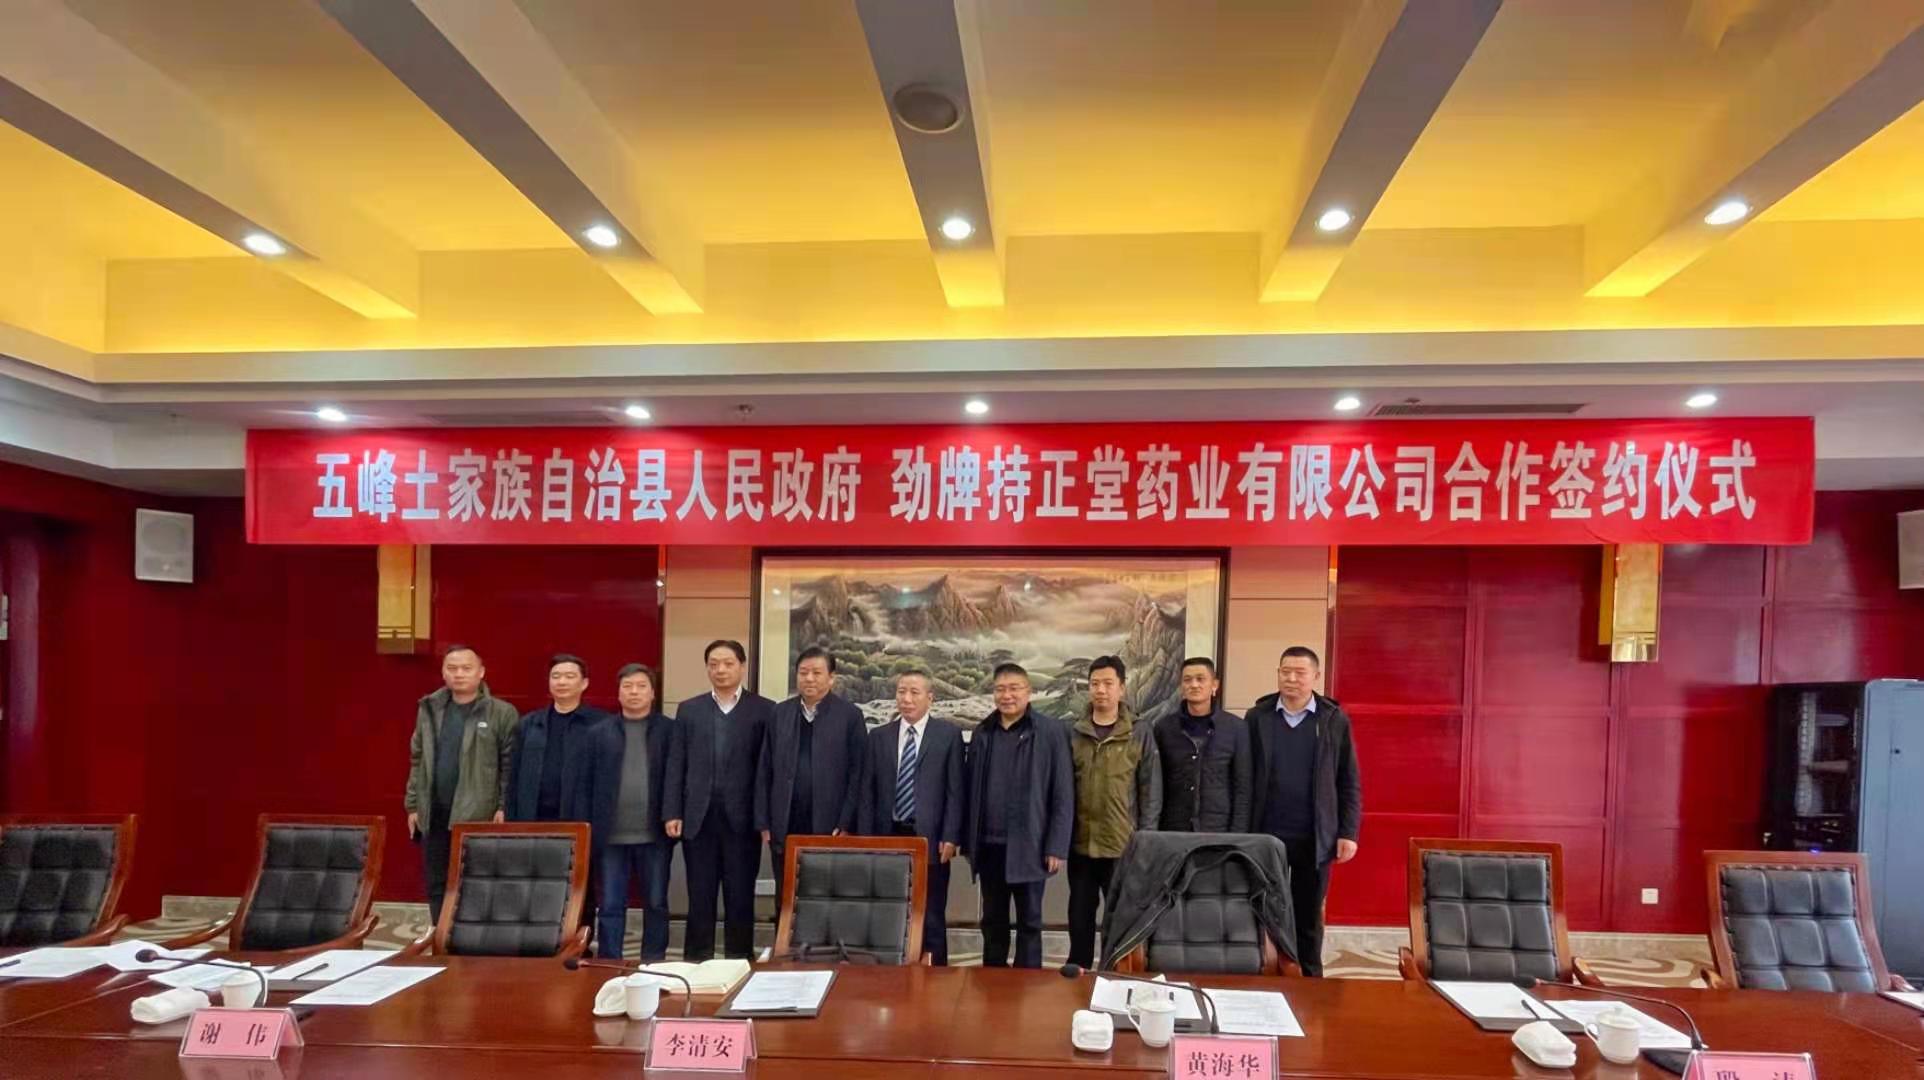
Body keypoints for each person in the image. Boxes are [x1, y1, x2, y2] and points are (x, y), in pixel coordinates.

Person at [1245, 646, 1361, 977]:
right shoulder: (1258, 717)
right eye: (1285, 671)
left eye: (1300, 672)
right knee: (1264, 909)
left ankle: (1309, 978)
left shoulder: (1332, 719)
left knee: (1308, 914)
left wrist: (1348, 832)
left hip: (1314, 835)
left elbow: (1348, 779)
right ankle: (1266, 974)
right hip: (1266, 833)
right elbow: (1244, 776)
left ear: (1316, 676)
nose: (1291, 679)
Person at [664, 639, 773, 961]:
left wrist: (764, 819)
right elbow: (676, 763)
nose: (720, 670)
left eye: (728, 663)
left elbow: (768, 769)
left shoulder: (765, 710)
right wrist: (672, 811)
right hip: (699, 818)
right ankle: (696, 963)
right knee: (700, 896)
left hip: (744, 821)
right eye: (713, 664)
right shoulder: (689, 709)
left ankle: (739, 963)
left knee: (740, 898)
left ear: (742, 666)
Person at [962, 663, 1072, 968]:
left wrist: (1056, 845)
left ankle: (1027, 983)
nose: (1007, 695)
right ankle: (992, 982)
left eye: (1014, 688)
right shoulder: (983, 732)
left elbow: (1063, 792)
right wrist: (969, 842)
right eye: (1000, 689)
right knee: (992, 922)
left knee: (1030, 923)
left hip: (1032, 846)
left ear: (1028, 692)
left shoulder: (1050, 732)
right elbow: (970, 790)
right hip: (989, 846)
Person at [506, 654, 618, 944]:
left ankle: (580, 946)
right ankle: (539, 945)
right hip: (534, 820)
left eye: (570, 676)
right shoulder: (530, 724)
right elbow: (514, 775)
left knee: (579, 888)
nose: (562, 682)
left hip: (579, 820)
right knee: (536, 886)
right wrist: (511, 816)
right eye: (556, 676)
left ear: (584, 683)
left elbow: (608, 779)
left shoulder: (601, 724)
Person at [404, 644, 518, 924]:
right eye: (452, 668)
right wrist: (413, 805)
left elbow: (510, 765)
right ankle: (441, 936)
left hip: (479, 814)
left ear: (481, 672)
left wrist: (503, 805)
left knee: (475, 883)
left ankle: (472, 940)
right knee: (437, 882)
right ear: (443, 672)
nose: (459, 674)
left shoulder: (501, 712)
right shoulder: (429, 708)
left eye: (466, 668)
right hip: (434, 811)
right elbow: (417, 758)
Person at [858, 669, 965, 965]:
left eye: (914, 692)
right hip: (887, 836)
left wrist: (951, 836)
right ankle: (889, 972)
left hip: (930, 837)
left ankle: (935, 974)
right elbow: (867, 792)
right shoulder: (879, 736)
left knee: (931, 913)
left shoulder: (948, 735)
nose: (906, 699)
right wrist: (865, 840)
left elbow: (956, 791)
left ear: (930, 698)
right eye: (901, 691)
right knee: (887, 910)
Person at [1066, 655, 1161, 969]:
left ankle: (1114, 974)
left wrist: (1145, 840)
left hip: (1123, 845)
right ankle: (1079, 973)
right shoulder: (1074, 731)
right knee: (1079, 914)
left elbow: (1150, 791)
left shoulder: (1139, 731)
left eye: (1108, 683)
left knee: (1120, 918)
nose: (1101, 690)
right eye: (1095, 684)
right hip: (1081, 843)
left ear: (1122, 688)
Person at [755, 646, 866, 907]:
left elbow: (858, 774)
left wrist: (847, 821)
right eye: (803, 672)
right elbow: (765, 769)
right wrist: (764, 821)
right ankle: (785, 936)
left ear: (831, 678)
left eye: (817, 673)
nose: (809, 678)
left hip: (830, 825)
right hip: (785, 821)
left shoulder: (850, 716)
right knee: (786, 896)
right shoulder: (780, 713)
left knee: (825, 897)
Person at [598, 663, 675, 961]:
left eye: (641, 686)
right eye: (627, 686)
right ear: (618, 693)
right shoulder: (600, 732)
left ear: (653, 693)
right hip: (610, 836)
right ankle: (609, 961)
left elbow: (677, 778)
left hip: (654, 834)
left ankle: (653, 961)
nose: (634, 692)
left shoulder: (669, 731)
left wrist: (673, 814)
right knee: (610, 904)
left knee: (655, 902)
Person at [1155, 656, 1252, 833]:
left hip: (1219, 829)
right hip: (1174, 829)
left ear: (1214, 685)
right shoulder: (1164, 728)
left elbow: (1243, 788)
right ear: (1181, 686)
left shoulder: (1236, 729)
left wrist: (1237, 835)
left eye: (1200, 679)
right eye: (1187, 680)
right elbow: (1156, 785)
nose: (1194, 685)